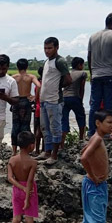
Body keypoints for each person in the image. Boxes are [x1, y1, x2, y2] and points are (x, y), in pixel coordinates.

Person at [87, 13, 112, 137]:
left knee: (95, 105)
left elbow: (89, 56)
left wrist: (92, 73)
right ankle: (106, 133)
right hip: (110, 74)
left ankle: (92, 132)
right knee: (108, 106)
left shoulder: (93, 36)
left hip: (96, 74)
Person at [38, 37, 72, 165]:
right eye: (45, 48)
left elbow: (68, 79)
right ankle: (47, 152)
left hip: (54, 100)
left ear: (57, 47)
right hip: (44, 100)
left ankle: (54, 155)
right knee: (45, 128)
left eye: (50, 48)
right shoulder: (47, 61)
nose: (47, 51)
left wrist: (58, 86)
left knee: (55, 128)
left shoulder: (60, 61)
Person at [7, 131, 38, 223]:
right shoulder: (33, 162)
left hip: (17, 190)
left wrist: (20, 187)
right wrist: (26, 193)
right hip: (30, 190)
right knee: (29, 219)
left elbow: (10, 178)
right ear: (31, 146)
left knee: (16, 218)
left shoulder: (12, 160)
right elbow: (30, 181)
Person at [12, 58, 41, 154]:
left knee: (15, 125)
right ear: (27, 67)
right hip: (26, 100)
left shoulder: (14, 77)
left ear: (17, 67)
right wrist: (35, 98)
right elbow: (39, 86)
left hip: (16, 101)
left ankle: (14, 151)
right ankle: (24, 150)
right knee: (25, 126)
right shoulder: (31, 77)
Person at [61, 57, 87, 147]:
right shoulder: (83, 73)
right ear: (79, 65)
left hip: (64, 97)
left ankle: (61, 143)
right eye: (82, 64)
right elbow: (82, 88)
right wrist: (81, 100)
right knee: (81, 117)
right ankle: (81, 139)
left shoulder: (68, 74)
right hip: (74, 97)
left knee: (64, 119)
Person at [34, 67, 44, 155]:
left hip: (37, 108)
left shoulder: (38, 84)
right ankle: (42, 149)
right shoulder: (44, 84)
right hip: (43, 108)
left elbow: (36, 97)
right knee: (43, 129)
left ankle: (37, 150)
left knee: (38, 129)